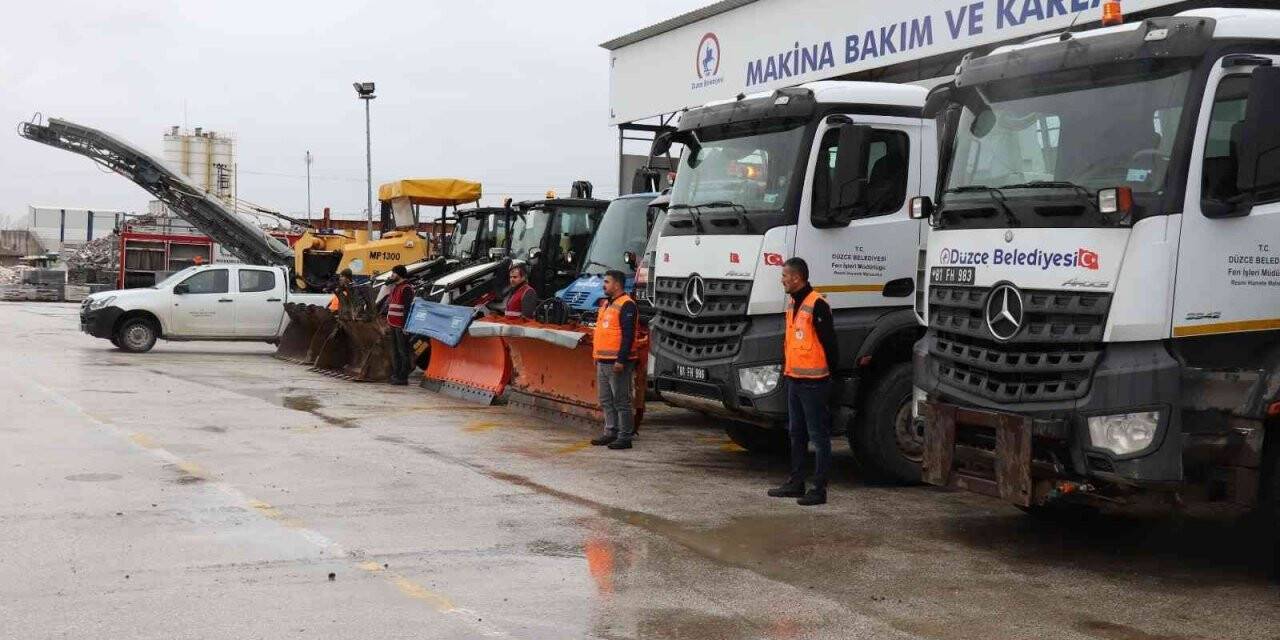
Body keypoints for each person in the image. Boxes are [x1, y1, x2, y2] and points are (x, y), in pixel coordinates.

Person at [768, 257, 839, 506]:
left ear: (797, 277)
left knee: (818, 436)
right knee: (796, 433)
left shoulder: (817, 304)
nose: (782, 279)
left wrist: (832, 378)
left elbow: (830, 344)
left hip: (814, 382)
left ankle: (819, 489)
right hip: (795, 380)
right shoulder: (792, 304)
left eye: (785, 275)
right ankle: (796, 482)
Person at [589, 270, 639, 450]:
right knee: (606, 399)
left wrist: (621, 360)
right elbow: (602, 333)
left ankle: (625, 436)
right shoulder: (605, 305)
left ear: (617, 284)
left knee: (621, 400)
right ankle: (610, 431)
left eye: (607, 282)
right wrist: (596, 356)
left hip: (617, 362)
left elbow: (628, 336)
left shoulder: (627, 305)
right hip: (603, 360)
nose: (604, 285)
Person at [385, 264, 415, 386]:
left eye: (394, 273)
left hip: (400, 325)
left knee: (403, 351)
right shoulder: (395, 287)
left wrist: (405, 326)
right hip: (392, 323)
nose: (391, 276)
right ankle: (396, 374)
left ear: (399, 274)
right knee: (395, 351)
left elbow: (408, 309)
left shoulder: (406, 288)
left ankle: (403, 377)